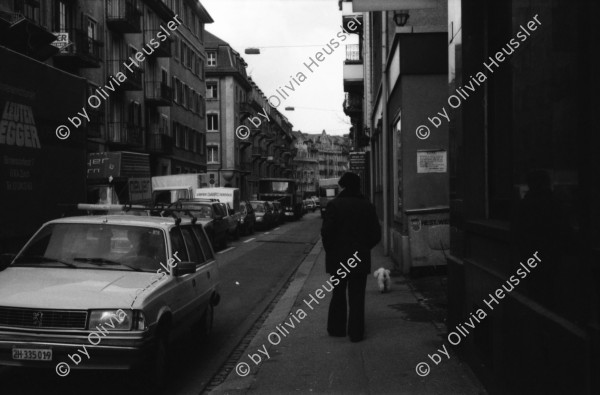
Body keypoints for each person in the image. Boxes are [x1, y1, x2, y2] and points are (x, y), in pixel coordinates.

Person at [321, 172, 381, 342]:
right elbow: (376, 234)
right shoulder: (367, 206)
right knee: (357, 296)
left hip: (338, 259)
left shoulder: (334, 205)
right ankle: (356, 332)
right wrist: (364, 248)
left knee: (338, 294)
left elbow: (326, 233)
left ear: (343, 186)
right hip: (359, 258)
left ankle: (337, 329)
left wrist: (331, 251)